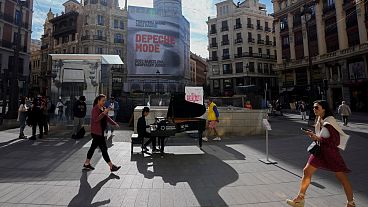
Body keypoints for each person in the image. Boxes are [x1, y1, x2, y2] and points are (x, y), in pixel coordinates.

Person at [286, 100, 355, 207]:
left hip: (331, 154)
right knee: (307, 171)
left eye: (316, 107)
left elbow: (335, 141)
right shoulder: (320, 119)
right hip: (320, 152)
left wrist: (317, 138)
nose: (314, 109)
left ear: (324, 109)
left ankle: (351, 203)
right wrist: (315, 136)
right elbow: (322, 137)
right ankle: (299, 199)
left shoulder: (329, 122)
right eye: (313, 107)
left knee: (341, 177)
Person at [83, 94, 121, 172]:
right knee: (104, 149)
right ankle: (111, 166)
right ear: (98, 100)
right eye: (103, 100)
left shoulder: (103, 108)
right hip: (96, 132)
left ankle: (87, 163)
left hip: (100, 132)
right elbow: (96, 119)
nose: (104, 102)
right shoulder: (95, 109)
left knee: (93, 148)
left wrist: (114, 123)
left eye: (104, 100)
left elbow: (107, 118)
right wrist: (105, 112)